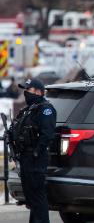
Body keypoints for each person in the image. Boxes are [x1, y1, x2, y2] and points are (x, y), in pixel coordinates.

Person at [13, 78, 56, 223]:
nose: (25, 93)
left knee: (37, 196)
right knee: (31, 198)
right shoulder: (29, 110)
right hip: (26, 157)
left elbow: (47, 133)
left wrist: (37, 152)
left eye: (28, 90)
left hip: (36, 158)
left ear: (38, 92)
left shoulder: (45, 109)